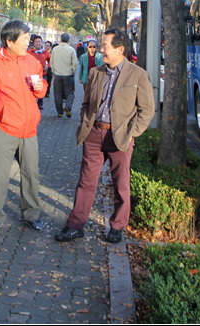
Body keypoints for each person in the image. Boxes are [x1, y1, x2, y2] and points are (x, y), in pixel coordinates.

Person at [56, 29, 154, 244]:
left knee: (121, 184)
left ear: (120, 49)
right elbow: (86, 102)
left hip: (120, 137)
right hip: (93, 134)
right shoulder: (96, 73)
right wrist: (85, 122)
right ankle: (75, 225)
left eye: (105, 46)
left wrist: (132, 132)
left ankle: (117, 226)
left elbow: (147, 109)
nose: (101, 50)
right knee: (86, 181)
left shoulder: (138, 74)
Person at [0, 20, 47, 235]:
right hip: (3, 131)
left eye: (28, 38)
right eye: (24, 39)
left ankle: (31, 214)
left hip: (29, 131)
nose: (28, 43)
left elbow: (41, 89)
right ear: (9, 41)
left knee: (31, 175)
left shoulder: (32, 61)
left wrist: (40, 87)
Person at [50, 33, 78, 118]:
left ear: (60, 39)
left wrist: (54, 71)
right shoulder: (71, 49)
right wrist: (73, 72)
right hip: (68, 74)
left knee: (58, 94)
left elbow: (52, 61)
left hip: (57, 74)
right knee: (70, 92)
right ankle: (68, 106)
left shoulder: (55, 49)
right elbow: (74, 63)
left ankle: (60, 112)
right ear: (69, 40)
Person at [28, 34, 50, 110]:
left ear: (42, 43)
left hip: (42, 73)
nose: (38, 43)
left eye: (39, 42)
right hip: (32, 73)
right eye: (36, 42)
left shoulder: (45, 53)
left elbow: (50, 60)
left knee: (41, 86)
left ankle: (40, 103)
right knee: (31, 87)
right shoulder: (29, 52)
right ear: (33, 43)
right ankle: (33, 102)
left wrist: (48, 66)